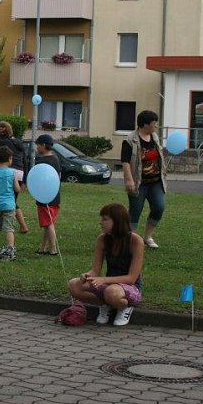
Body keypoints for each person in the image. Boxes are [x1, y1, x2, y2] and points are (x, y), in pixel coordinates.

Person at [68, 203, 144, 327]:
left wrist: (103, 280)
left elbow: (131, 278)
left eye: (105, 219)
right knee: (74, 285)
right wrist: (88, 275)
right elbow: (95, 270)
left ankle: (125, 307)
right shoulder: (102, 239)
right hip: (109, 285)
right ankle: (105, 305)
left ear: (117, 221)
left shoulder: (135, 241)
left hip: (130, 287)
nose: (101, 222)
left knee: (112, 292)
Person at [121, 110, 165, 249]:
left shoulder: (155, 137)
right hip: (139, 183)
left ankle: (147, 237)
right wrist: (129, 180)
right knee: (135, 211)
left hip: (156, 182)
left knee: (159, 207)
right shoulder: (130, 140)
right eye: (154, 123)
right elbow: (125, 161)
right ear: (145, 124)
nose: (156, 125)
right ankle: (132, 240)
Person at [0, 121, 29, 234]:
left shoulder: (4, 142)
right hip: (19, 172)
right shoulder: (18, 142)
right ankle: (21, 226)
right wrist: (24, 179)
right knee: (12, 200)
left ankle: (13, 226)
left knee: (10, 200)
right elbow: (25, 160)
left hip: (9, 171)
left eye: (1, 128)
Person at [34, 134, 61, 256]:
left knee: (49, 224)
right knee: (48, 223)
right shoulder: (56, 159)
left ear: (43, 145)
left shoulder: (41, 162)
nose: (37, 148)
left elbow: (38, 180)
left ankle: (53, 249)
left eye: (38, 145)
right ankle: (43, 248)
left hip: (44, 198)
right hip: (55, 196)